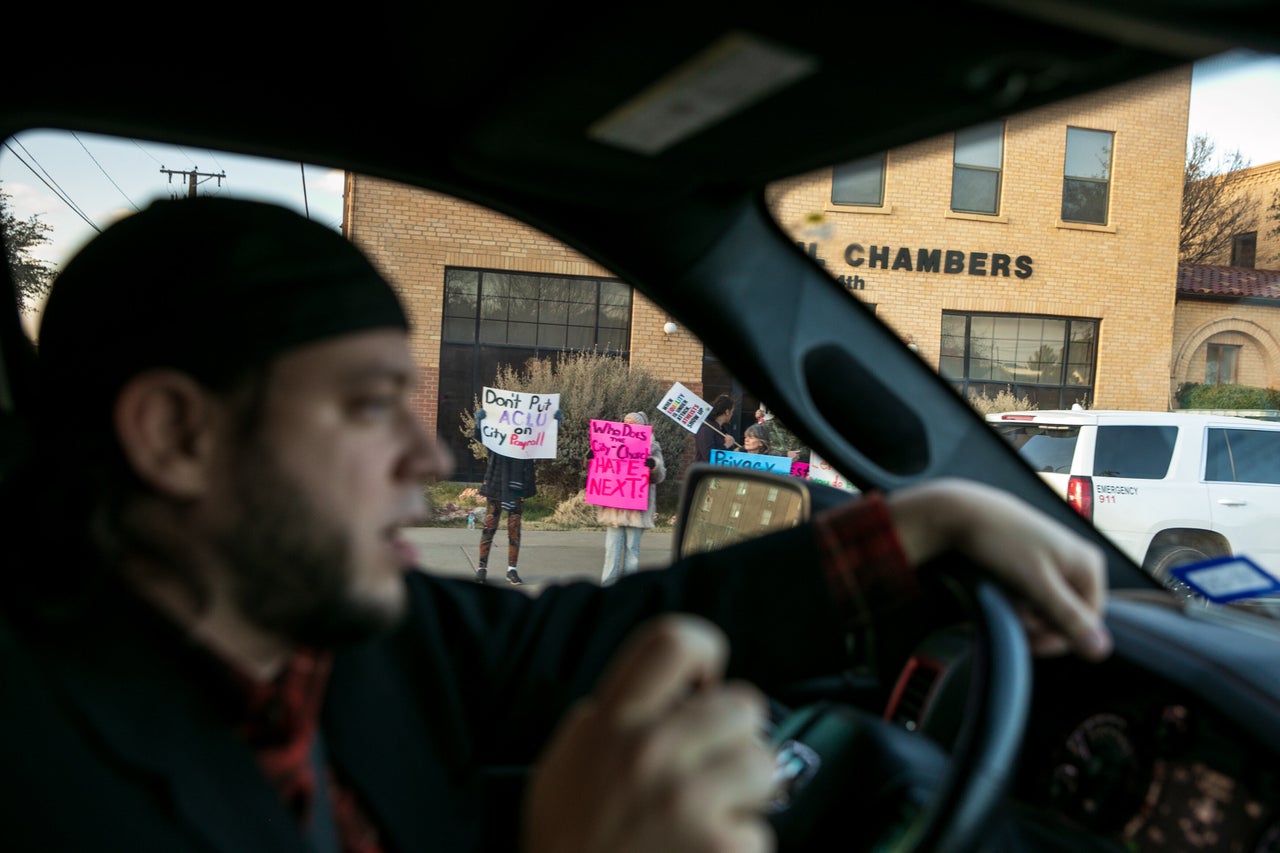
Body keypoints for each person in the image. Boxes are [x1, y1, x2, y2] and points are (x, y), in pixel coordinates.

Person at [0, 196, 1113, 852]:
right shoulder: (40, 774)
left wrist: (917, 524)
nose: (431, 456)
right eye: (365, 405)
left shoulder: (328, 636)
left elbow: (591, 636)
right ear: (177, 437)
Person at [594, 411, 666, 585]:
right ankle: (607, 586)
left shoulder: (652, 447)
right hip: (615, 508)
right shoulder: (612, 444)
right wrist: (592, 457)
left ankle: (628, 588)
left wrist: (653, 466)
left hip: (637, 509)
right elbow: (600, 469)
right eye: (625, 422)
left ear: (641, 427)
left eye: (633, 423)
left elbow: (660, 475)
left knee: (632, 550)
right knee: (612, 549)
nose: (628, 426)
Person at [472, 409, 539, 585]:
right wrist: (480, 423)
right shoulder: (498, 437)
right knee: (489, 528)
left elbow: (543, 442)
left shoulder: (527, 439)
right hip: (496, 485)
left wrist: (554, 423)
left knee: (514, 530)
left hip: (517, 489)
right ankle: (481, 568)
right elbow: (482, 437)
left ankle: (512, 570)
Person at [694, 393, 738, 463]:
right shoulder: (706, 428)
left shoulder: (723, 429)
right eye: (732, 411)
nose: (732, 414)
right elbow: (708, 456)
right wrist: (726, 445)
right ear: (727, 412)